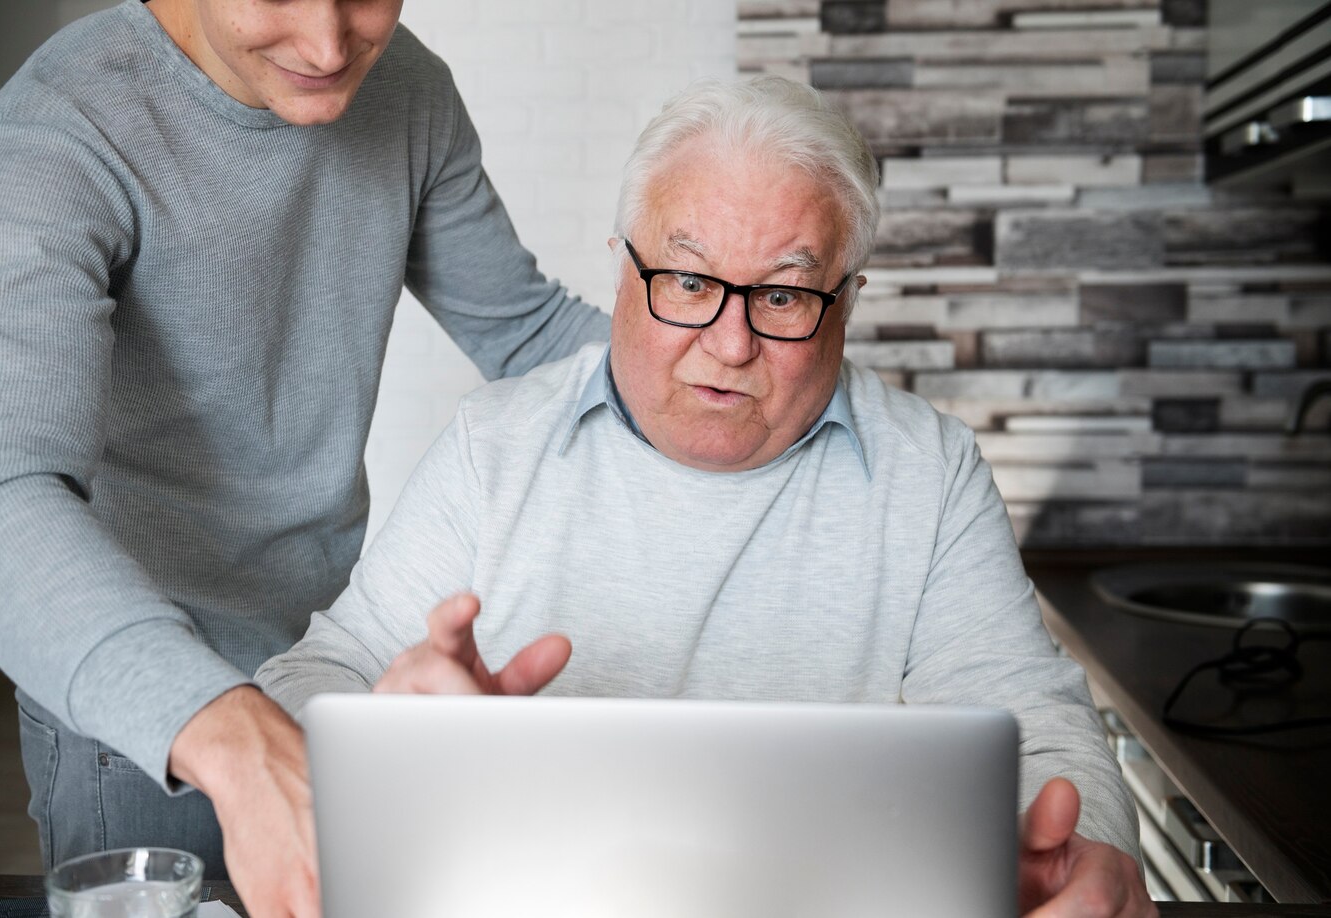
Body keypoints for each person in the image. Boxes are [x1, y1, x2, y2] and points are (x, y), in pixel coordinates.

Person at [255, 76, 1156, 917]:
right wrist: (382, 723)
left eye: (784, 296)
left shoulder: (933, 471)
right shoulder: (494, 445)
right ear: (622, 269)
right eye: (689, 282)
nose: (730, 344)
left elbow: (1041, 723)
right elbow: (307, 678)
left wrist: (1096, 851)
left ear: (848, 301)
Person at [0, 0, 608, 913]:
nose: (329, 45)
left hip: (329, 665)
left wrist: (754, 350)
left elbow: (528, 330)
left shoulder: (407, 88)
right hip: (137, 704)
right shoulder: (51, 141)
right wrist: (227, 731)